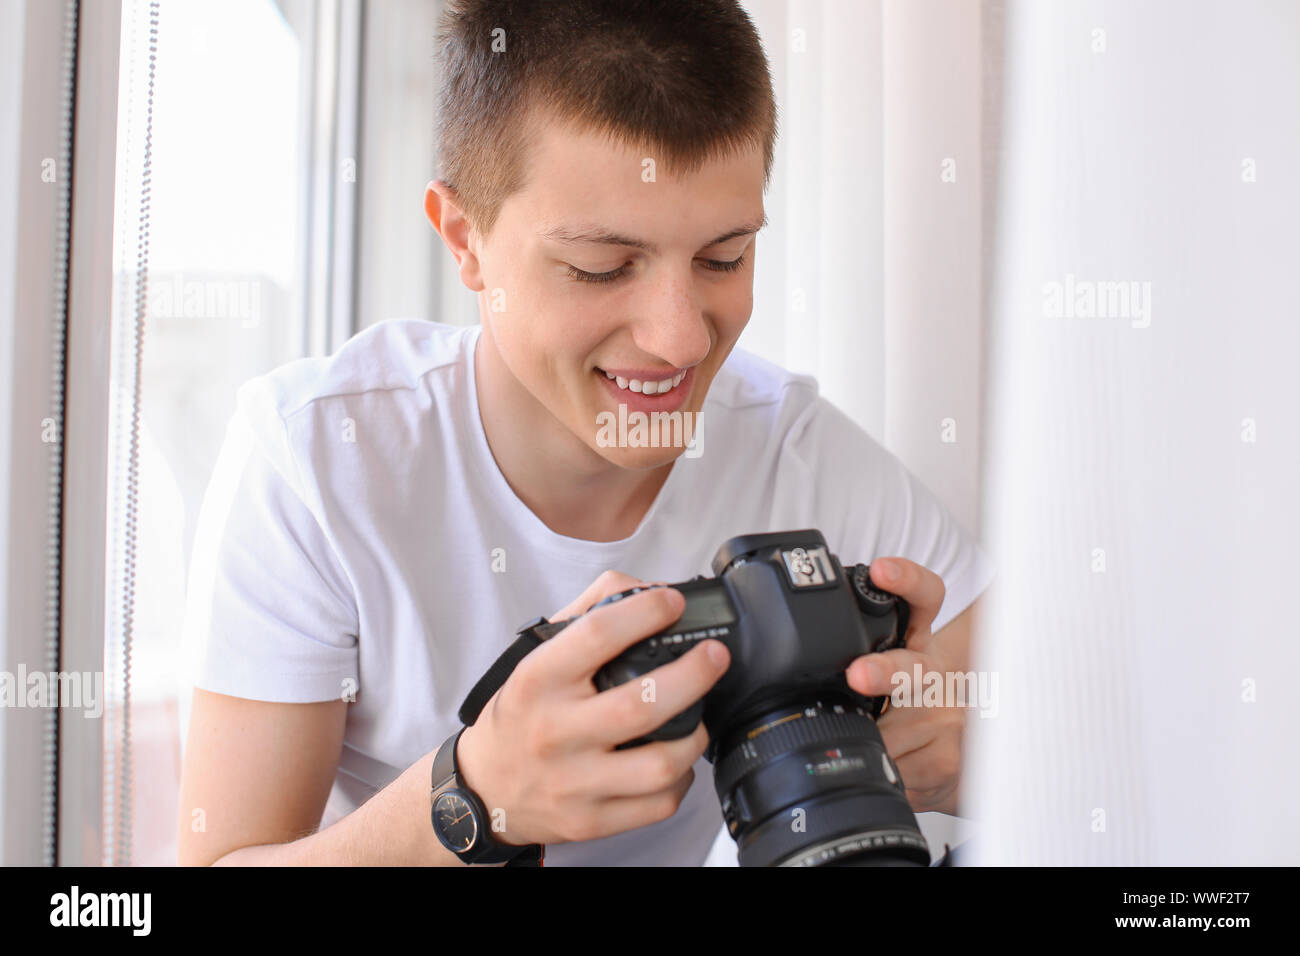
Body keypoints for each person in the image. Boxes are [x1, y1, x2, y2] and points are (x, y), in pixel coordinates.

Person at [176, 0, 994, 866]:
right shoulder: (320, 460)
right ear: (465, 240)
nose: (681, 339)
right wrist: (472, 797)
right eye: (600, 267)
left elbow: (1055, 722)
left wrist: (971, 750)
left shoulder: (798, 453)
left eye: (723, 257)